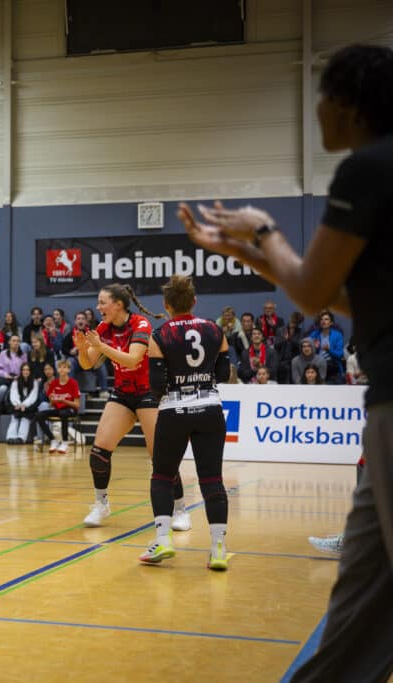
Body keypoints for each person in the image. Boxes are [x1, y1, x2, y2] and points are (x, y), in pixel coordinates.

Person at [179, 43, 393, 683]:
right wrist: (245, 253)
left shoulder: (367, 169)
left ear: (350, 104)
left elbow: (311, 290)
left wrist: (264, 231)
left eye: (323, 96)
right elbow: (346, 295)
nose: (317, 109)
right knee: (361, 604)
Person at [74, 283, 190, 530]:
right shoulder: (103, 328)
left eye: (102, 302)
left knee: (160, 456)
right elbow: (87, 364)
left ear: (118, 304)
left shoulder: (140, 324)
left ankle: (180, 509)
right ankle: (101, 504)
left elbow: (133, 359)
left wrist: (101, 346)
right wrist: (83, 350)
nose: (98, 307)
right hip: (123, 394)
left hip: (149, 393)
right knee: (99, 451)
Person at [137, 275, 231, 570]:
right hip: (210, 409)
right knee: (212, 479)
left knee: (162, 476)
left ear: (166, 305)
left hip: (173, 411)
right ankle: (218, 549)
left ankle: (163, 540)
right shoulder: (215, 330)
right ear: (194, 301)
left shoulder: (159, 335)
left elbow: (156, 385)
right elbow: (224, 374)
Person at [37, 359, 80, 454]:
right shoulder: (54, 383)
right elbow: (51, 404)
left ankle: (65, 442)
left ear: (69, 370)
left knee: (63, 413)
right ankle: (53, 440)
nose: (62, 369)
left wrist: (64, 400)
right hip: (58, 409)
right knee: (39, 415)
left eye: (64, 367)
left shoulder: (73, 383)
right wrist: (52, 399)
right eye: (60, 367)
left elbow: (77, 405)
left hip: (70, 409)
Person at [5, 363, 40, 445]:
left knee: (26, 417)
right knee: (15, 417)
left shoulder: (35, 382)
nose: (25, 371)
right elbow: (13, 395)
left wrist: (24, 405)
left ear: (30, 371)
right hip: (16, 405)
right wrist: (18, 404)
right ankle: (10, 437)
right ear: (21, 371)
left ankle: (21, 438)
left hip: (29, 406)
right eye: (23, 370)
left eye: (27, 370)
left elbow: (33, 397)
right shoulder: (16, 381)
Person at [309, 311, 345, 383]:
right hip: (317, 365)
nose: (323, 321)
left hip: (332, 365)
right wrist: (315, 348)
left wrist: (329, 350)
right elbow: (307, 352)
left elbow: (340, 354)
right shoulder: (314, 334)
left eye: (326, 319)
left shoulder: (337, 335)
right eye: (321, 319)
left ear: (331, 323)